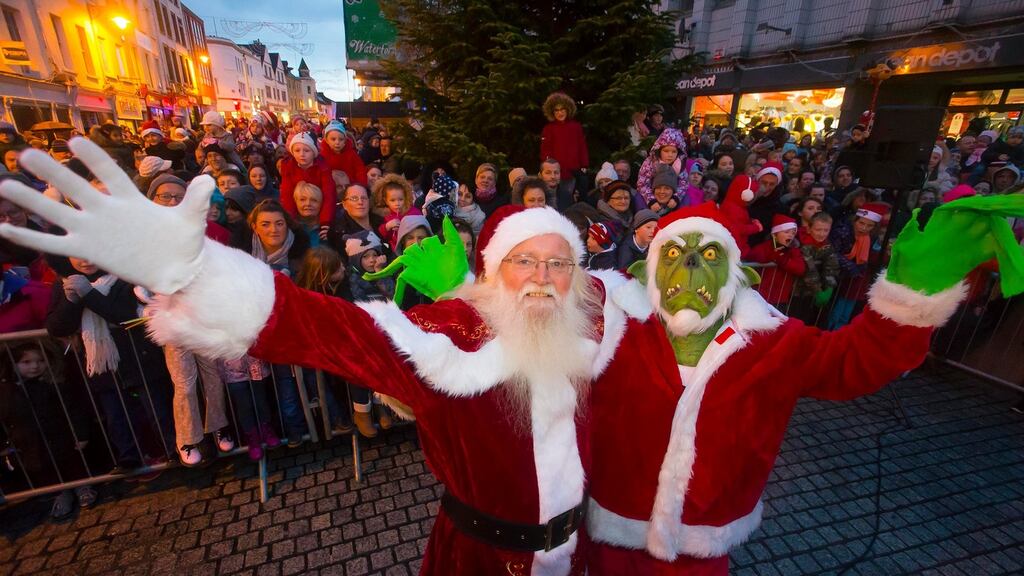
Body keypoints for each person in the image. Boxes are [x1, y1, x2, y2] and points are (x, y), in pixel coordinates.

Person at [0, 342, 96, 518]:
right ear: (13, 364)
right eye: (26, 362)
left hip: (61, 435)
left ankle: (82, 486)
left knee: (72, 463)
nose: (35, 366)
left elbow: (73, 409)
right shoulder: (7, 391)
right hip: (31, 441)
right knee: (47, 470)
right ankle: (61, 493)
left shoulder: (54, 384)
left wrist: (81, 433)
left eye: (40, 361)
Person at [540, 92, 589, 211]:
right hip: (555, 172)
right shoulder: (549, 128)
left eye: (562, 109)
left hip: (572, 171)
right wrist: (548, 164)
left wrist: (584, 164)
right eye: (556, 110)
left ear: (568, 110)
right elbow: (545, 148)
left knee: (568, 196)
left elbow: (582, 145)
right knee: (554, 197)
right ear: (552, 112)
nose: (560, 112)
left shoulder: (576, 126)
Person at [747, 214, 807, 310]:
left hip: (780, 298)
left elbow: (800, 269)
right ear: (775, 234)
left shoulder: (794, 250)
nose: (790, 235)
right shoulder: (765, 246)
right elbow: (755, 256)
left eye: (793, 233)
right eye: (786, 232)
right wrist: (773, 254)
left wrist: (782, 260)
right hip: (760, 296)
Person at [279, 133, 336, 227]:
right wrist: (290, 220)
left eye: (306, 150)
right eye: (297, 150)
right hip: (300, 207)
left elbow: (329, 194)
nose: (302, 154)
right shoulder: (289, 167)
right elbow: (287, 194)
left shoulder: (323, 167)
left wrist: (326, 221)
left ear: (313, 152)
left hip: (318, 206)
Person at [637, 129, 687, 208]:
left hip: (671, 199)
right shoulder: (651, 163)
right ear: (659, 150)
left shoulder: (680, 164)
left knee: (686, 199)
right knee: (639, 199)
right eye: (666, 151)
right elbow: (642, 183)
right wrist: (651, 200)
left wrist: (676, 197)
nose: (670, 155)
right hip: (652, 198)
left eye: (674, 151)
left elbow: (683, 183)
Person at [376, 174, 422, 249]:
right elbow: (383, 236)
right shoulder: (385, 216)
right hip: (396, 251)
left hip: (414, 247)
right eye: (392, 200)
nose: (397, 203)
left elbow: (421, 227)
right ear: (386, 200)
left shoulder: (413, 212)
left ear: (406, 197)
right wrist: (387, 227)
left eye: (400, 199)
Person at [319, 120, 368, 187]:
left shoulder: (351, 154)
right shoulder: (322, 156)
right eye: (333, 139)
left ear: (345, 141)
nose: (337, 142)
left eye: (341, 139)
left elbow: (360, 170)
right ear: (327, 140)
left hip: (350, 187)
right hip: (331, 188)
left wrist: (361, 186)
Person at [294, 182, 328, 247]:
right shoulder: (290, 228)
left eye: (314, 200)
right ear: (296, 202)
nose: (308, 204)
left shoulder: (329, 229)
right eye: (302, 200)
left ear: (321, 203)